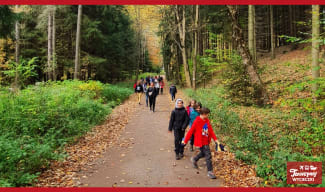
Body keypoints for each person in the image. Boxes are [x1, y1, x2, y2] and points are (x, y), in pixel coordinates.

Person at [182, 107, 218, 179]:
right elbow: (190, 131)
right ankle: (210, 171)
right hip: (201, 142)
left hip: (206, 140)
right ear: (203, 114)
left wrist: (215, 139)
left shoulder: (206, 120)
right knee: (208, 155)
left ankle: (194, 159)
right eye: (207, 114)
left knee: (204, 153)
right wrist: (185, 141)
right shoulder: (197, 121)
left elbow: (210, 130)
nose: (208, 116)